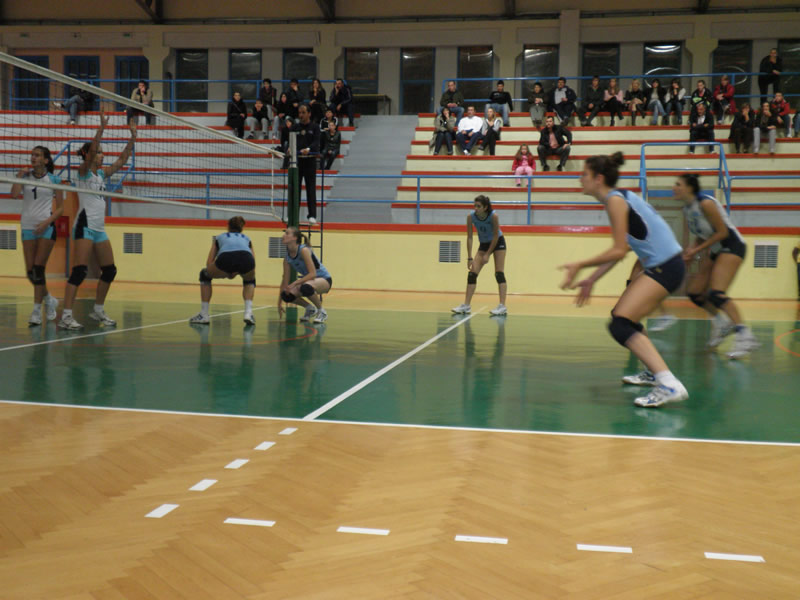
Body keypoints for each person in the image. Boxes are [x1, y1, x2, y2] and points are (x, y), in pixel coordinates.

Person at [558, 152, 688, 408]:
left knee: (621, 324)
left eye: (584, 174)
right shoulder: (619, 198)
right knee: (625, 318)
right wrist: (592, 279)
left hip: (666, 267)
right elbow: (625, 247)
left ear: (599, 178)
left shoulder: (615, 201)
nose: (580, 178)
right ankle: (654, 372)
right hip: (666, 265)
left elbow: (618, 251)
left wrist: (580, 265)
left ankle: (669, 383)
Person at [59, 109, 136, 330]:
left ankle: (98, 310)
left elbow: (122, 160)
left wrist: (133, 137)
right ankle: (66, 316)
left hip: (99, 228)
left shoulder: (101, 175)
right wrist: (101, 129)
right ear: (88, 154)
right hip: (84, 227)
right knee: (79, 272)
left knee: (110, 270)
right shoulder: (82, 172)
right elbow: (92, 151)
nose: (102, 155)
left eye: (102, 152)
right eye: (99, 152)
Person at [674, 174, 759, 358]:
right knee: (695, 293)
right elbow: (702, 234)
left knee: (717, 293)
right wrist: (692, 249)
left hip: (732, 245)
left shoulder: (706, 203)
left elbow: (722, 233)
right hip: (716, 249)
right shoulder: (687, 209)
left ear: (690, 188)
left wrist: (697, 251)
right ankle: (721, 323)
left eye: (678, 184)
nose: (674, 187)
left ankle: (745, 335)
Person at [9, 146, 64, 326]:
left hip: (46, 228)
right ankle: (49, 299)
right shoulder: (25, 177)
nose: (33, 157)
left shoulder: (54, 179)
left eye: (37, 155)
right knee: (31, 273)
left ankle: (36, 312)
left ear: (46, 160)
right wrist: (19, 176)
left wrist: (46, 223)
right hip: (27, 227)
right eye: (32, 155)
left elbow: (61, 208)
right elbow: (14, 195)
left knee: (38, 270)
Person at [189, 216, 256, 326]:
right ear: (242, 228)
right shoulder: (247, 238)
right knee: (250, 279)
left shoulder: (220, 237)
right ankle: (248, 313)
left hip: (226, 258)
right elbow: (252, 263)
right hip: (247, 259)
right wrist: (236, 272)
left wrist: (226, 272)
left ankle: (204, 314)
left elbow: (209, 262)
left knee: (204, 274)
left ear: (228, 226)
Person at [451, 195, 507, 317]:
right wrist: (469, 257)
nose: (475, 208)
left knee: (499, 273)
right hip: (484, 244)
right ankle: (466, 305)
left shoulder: (494, 216)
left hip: (498, 242)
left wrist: (487, 254)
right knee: (472, 274)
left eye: (478, 206)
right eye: (475, 206)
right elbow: (470, 237)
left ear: (485, 207)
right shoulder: (470, 217)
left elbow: (495, 236)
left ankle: (502, 306)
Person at [277, 226, 331, 324]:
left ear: (294, 238)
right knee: (286, 294)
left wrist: (295, 283)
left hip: (324, 279)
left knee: (305, 287)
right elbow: (285, 281)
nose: (283, 235)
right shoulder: (287, 258)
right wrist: (279, 302)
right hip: (309, 281)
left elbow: (313, 274)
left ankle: (321, 311)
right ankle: (310, 308)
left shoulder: (303, 250)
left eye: (287, 233)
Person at [290, 104, 321, 224]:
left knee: (311, 189)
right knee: (295, 190)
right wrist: (290, 148)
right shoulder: (294, 127)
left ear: (309, 113)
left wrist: (308, 149)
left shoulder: (315, 127)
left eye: (303, 112)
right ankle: (293, 215)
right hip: (297, 162)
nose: (301, 115)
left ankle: (312, 215)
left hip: (310, 161)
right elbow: (290, 141)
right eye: (299, 113)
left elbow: (317, 142)